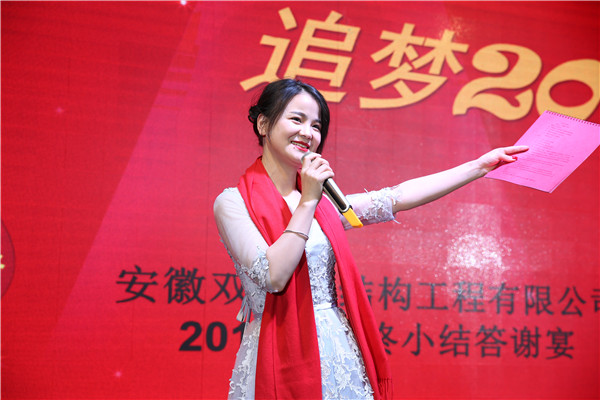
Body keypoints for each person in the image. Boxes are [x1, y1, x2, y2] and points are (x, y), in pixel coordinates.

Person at [213, 79, 528, 400]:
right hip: (274, 350)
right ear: (263, 124)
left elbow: (395, 197)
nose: (308, 133)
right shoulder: (233, 202)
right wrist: (308, 200)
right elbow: (273, 276)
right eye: (297, 119)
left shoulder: (325, 203)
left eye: (316, 126)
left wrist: (478, 166)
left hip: (334, 348)